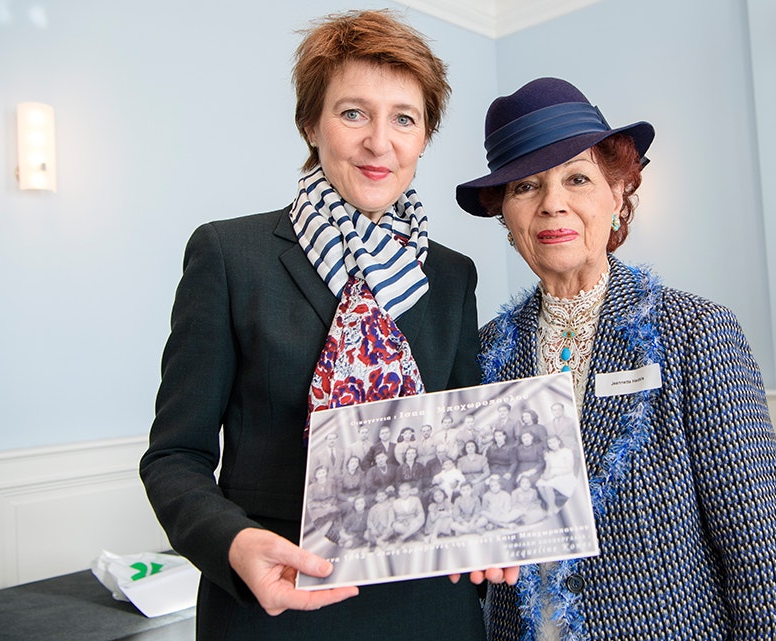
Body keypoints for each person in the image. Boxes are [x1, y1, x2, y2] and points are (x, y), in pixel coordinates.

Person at [139, 10, 512, 641]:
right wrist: (232, 544)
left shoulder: (451, 276)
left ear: (423, 138)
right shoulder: (230, 256)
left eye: (404, 118)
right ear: (311, 125)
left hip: (430, 613)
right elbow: (175, 456)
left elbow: (458, 447)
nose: (379, 142)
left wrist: (491, 528)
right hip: (277, 607)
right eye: (353, 113)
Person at [456, 77, 776, 639]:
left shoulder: (695, 332)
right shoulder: (484, 351)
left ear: (619, 194)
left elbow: (758, 545)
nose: (553, 203)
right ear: (506, 215)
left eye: (577, 178)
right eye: (526, 187)